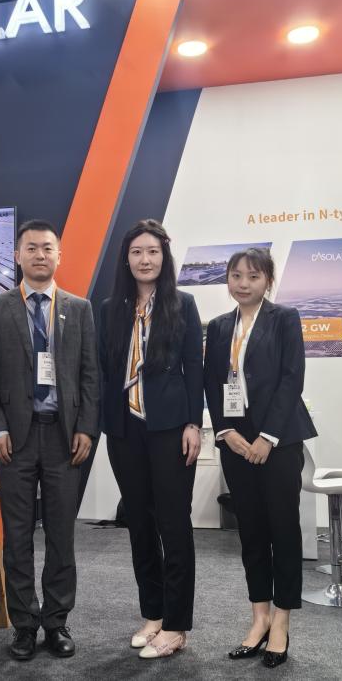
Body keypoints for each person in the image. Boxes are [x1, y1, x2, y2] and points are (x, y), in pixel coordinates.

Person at [0, 219, 100, 661]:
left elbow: (90, 374)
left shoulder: (78, 308)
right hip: (15, 439)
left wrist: (86, 427)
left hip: (65, 438)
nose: (40, 254)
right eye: (31, 247)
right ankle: (25, 625)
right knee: (17, 535)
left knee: (62, 535)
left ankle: (57, 621)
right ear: (18, 256)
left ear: (59, 255)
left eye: (48, 247)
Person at [203, 247, 316, 669]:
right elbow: (212, 383)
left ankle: (281, 622)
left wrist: (268, 436)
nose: (243, 283)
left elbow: (292, 379)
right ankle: (259, 618)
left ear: (268, 280)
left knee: (282, 530)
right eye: (236, 276)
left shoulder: (284, 318)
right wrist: (225, 432)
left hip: (279, 442)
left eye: (253, 276)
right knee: (250, 532)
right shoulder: (219, 327)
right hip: (236, 444)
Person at [98, 219, 203, 659]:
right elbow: (103, 369)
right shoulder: (110, 308)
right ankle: (153, 615)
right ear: (126, 258)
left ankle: (177, 625)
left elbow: (195, 367)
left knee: (173, 525)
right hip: (125, 430)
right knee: (139, 525)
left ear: (164, 257)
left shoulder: (183, 304)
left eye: (153, 252)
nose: (145, 259)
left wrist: (194, 423)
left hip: (170, 428)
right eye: (137, 252)